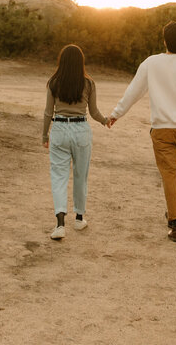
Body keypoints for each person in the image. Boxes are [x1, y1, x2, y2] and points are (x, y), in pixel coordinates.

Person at [107, 21, 176, 243]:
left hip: (162, 130)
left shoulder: (151, 63)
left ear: (165, 40)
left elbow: (134, 91)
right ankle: (175, 215)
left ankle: (175, 221)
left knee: (170, 175)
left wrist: (117, 113)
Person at [43, 43, 108, 240]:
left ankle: (60, 224)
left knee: (59, 176)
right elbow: (94, 112)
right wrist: (106, 121)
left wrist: (44, 135)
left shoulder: (53, 82)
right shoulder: (88, 83)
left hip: (60, 128)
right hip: (81, 129)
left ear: (61, 61)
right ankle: (79, 219)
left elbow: (48, 112)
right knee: (81, 175)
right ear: (81, 62)